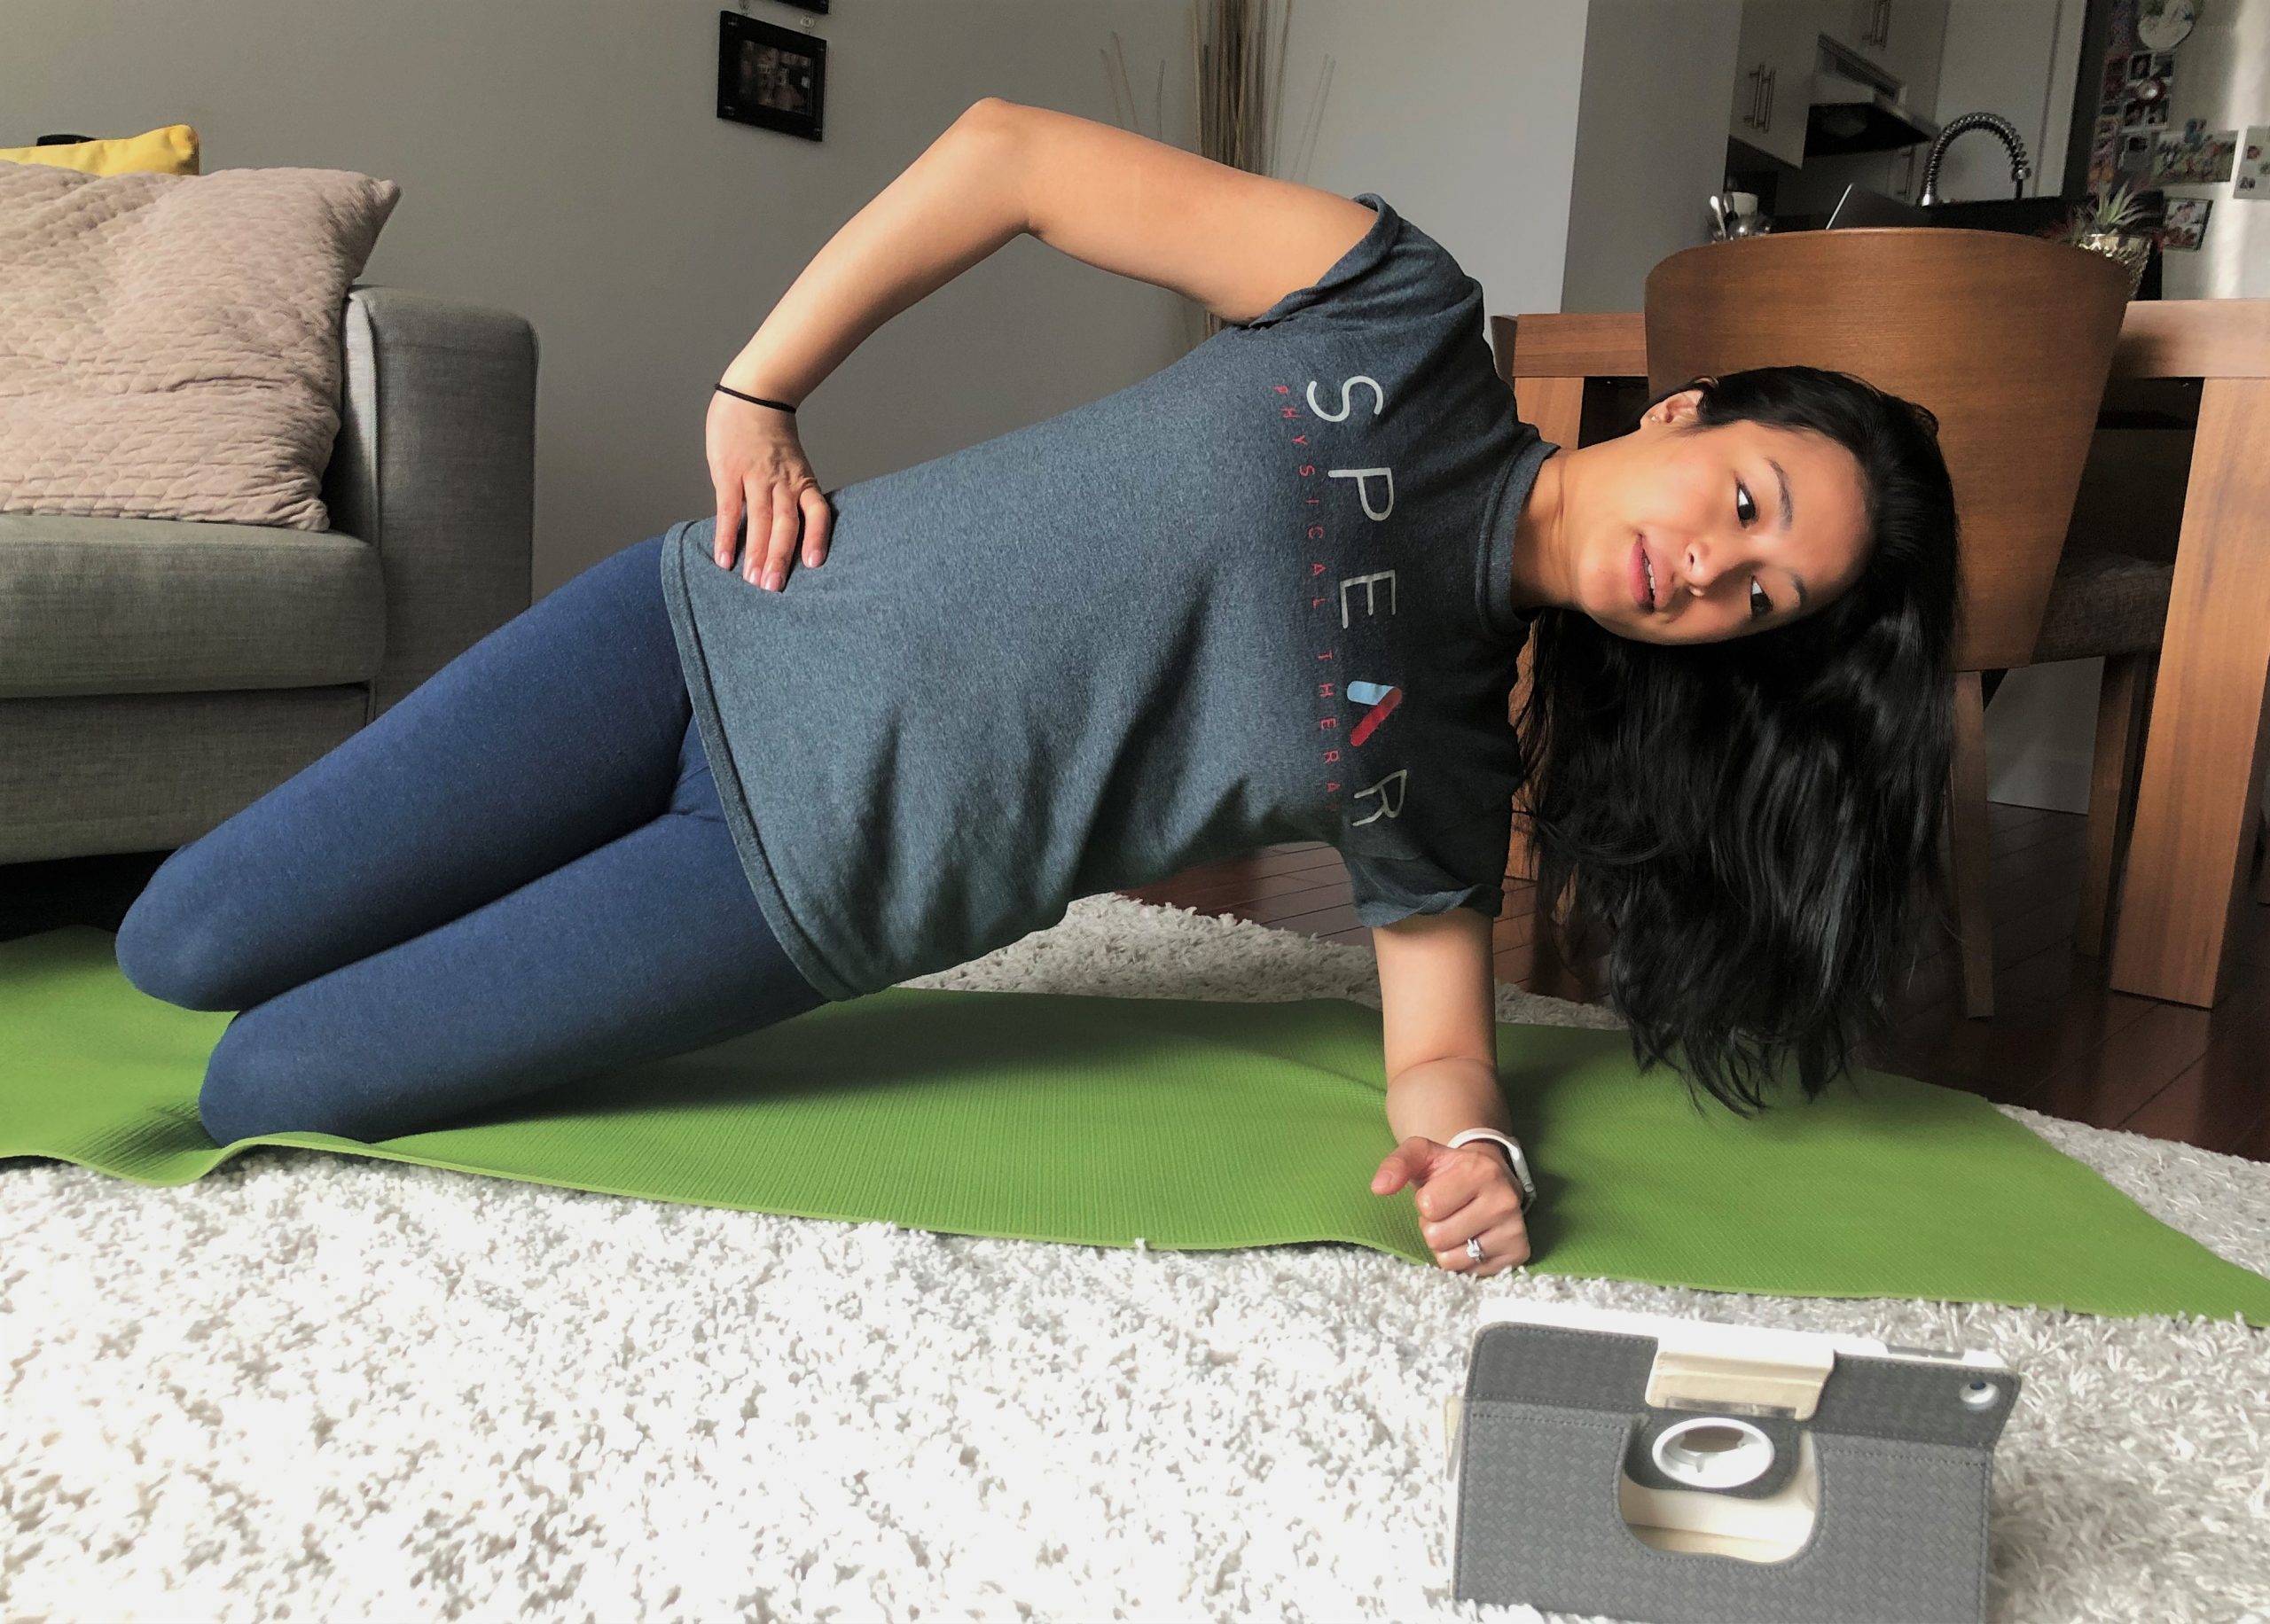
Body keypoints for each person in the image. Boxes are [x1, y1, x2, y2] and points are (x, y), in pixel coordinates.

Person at [114, 99, 1956, 1280]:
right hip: (688, 631)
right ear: (1687, 414)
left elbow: (1433, 1032)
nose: (1710, 567)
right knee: (183, 940)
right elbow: (1010, 157)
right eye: (1742, 503)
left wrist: (1465, 1136)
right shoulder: (1399, 318)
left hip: (778, 899)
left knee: (265, 1075)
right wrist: (758, 389)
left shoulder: (1442, 754)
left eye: (1756, 597)